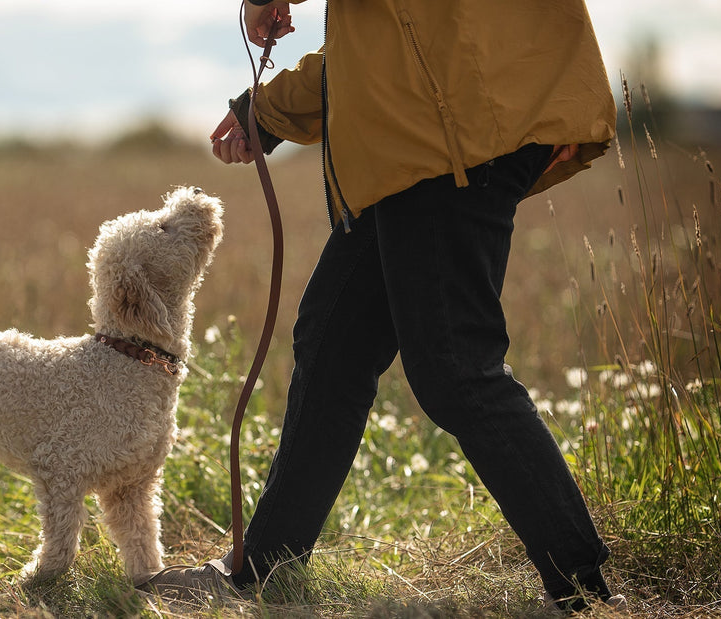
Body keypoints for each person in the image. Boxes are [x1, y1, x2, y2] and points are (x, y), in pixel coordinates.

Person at [141, 0, 625, 612]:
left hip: (448, 134)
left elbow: (415, 49)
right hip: (420, 137)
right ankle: (262, 570)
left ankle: (583, 588)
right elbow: (379, 53)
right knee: (334, 348)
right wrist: (264, 110)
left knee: (455, 369)